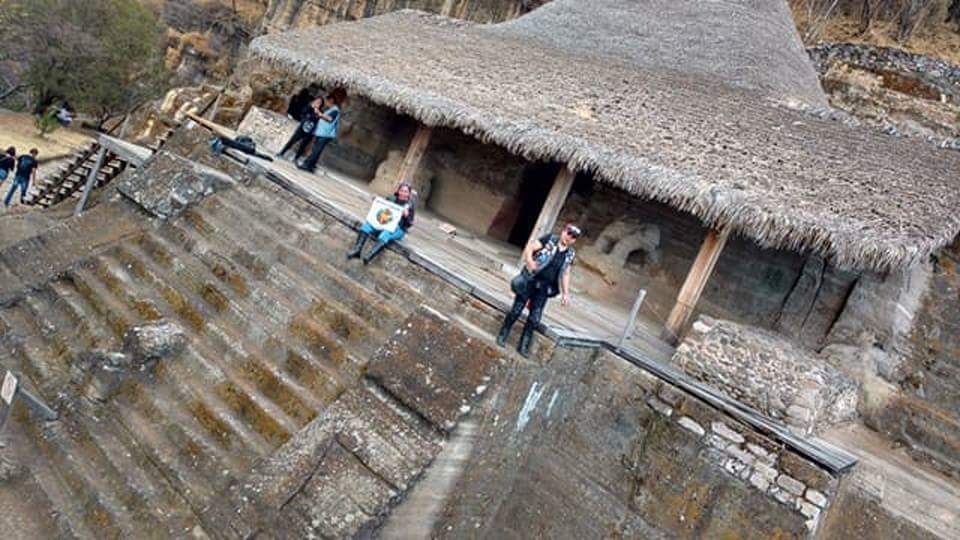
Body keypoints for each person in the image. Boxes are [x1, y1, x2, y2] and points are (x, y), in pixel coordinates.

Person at [497, 222, 581, 357]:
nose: (569, 237)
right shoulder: (550, 240)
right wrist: (530, 262)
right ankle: (503, 334)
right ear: (563, 231)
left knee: (535, 318)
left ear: (574, 240)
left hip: (545, 288)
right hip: (530, 280)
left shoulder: (570, 254)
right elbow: (530, 247)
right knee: (516, 310)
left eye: (573, 237)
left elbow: (566, 273)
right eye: (568, 233)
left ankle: (523, 345)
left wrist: (565, 293)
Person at [346, 183, 415, 265]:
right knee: (366, 227)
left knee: (385, 234)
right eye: (402, 190)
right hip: (384, 223)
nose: (403, 193)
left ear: (408, 194)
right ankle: (357, 250)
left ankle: (369, 256)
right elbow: (382, 208)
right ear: (398, 191)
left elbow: (409, 223)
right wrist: (376, 201)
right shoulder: (391, 199)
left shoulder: (409, 205)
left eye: (406, 192)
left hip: (398, 229)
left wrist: (406, 216)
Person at [297, 88, 347, 173]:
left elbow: (330, 119)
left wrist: (320, 114)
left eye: (327, 101)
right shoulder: (331, 109)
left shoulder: (335, 110)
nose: (326, 103)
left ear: (331, 100)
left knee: (317, 150)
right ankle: (310, 166)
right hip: (322, 133)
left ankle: (307, 165)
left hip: (326, 134)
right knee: (316, 149)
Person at [276, 96, 322, 161]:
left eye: (319, 103)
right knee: (292, 141)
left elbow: (317, 120)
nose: (317, 103)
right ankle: (281, 153)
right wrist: (310, 109)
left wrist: (316, 112)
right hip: (301, 128)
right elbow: (303, 114)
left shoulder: (319, 112)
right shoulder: (308, 107)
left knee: (303, 145)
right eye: (317, 101)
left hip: (310, 130)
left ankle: (296, 159)